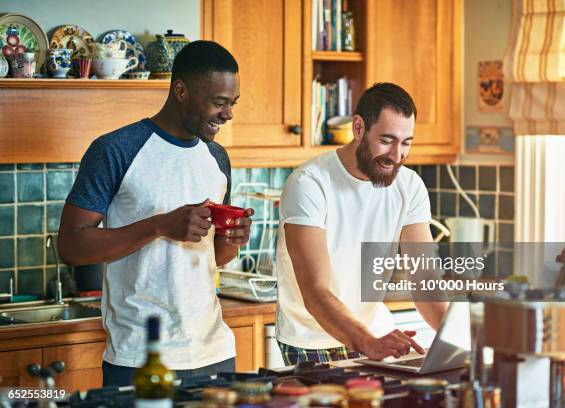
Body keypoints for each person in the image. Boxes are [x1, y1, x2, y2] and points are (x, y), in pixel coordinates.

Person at [58, 41, 251, 385]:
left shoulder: (217, 159)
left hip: (214, 352)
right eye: (218, 102)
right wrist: (161, 225)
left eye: (232, 103)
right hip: (139, 356)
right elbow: (71, 247)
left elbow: (216, 256)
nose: (228, 114)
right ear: (180, 91)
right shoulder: (115, 150)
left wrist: (234, 238)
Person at [275, 82, 448, 365]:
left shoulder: (410, 186)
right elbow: (315, 292)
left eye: (406, 143)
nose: (396, 156)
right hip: (311, 340)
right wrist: (367, 342)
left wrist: (460, 341)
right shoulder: (310, 184)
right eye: (387, 140)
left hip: (374, 333)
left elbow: (425, 283)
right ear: (358, 128)